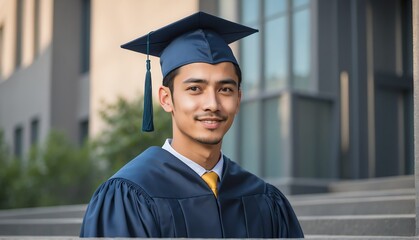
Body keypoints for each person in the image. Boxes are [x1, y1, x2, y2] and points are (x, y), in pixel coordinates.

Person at [80, 11, 304, 238]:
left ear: (238, 99)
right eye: (195, 89)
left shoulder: (264, 198)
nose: (212, 104)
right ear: (166, 99)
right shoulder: (128, 195)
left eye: (225, 89)